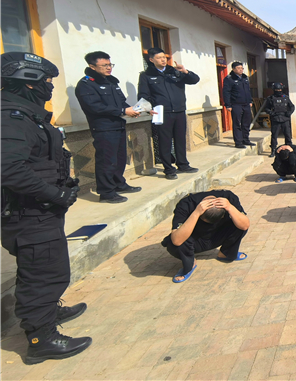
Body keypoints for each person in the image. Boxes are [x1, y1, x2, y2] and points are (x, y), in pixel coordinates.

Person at [1, 52, 91, 364]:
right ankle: (41, 338)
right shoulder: (10, 117)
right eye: (47, 81)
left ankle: (48, 310)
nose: (50, 87)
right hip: (28, 211)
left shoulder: (25, 113)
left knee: (47, 267)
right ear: (29, 81)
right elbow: (9, 169)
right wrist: (55, 193)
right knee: (42, 272)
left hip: (40, 210)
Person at [75, 51, 141, 203]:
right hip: (103, 128)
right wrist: (123, 111)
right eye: (104, 65)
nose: (108, 68)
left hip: (118, 125)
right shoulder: (86, 85)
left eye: (110, 64)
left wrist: (134, 110)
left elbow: (121, 102)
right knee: (106, 160)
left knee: (119, 158)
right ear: (92, 66)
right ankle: (106, 192)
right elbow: (94, 107)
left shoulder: (111, 82)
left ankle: (119, 184)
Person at [137, 47, 201, 180]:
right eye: (159, 58)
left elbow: (195, 80)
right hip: (161, 112)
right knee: (164, 141)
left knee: (180, 139)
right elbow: (143, 94)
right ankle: (169, 169)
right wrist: (148, 108)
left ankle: (183, 164)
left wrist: (185, 71)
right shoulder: (146, 75)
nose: (163, 60)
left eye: (164, 57)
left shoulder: (175, 72)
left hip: (179, 110)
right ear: (151, 60)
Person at [161, 190, 249, 283]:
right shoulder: (186, 204)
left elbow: (245, 225)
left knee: (240, 223)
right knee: (173, 243)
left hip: (216, 237)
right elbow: (176, 240)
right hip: (194, 242)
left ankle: (226, 253)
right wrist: (196, 213)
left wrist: (230, 207)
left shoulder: (229, 197)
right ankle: (190, 263)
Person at [222, 61, 255, 149]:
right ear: (233, 69)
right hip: (236, 104)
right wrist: (228, 105)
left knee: (246, 123)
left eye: (242, 68)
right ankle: (238, 142)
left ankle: (245, 139)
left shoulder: (245, 77)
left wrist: (250, 101)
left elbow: (248, 91)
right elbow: (226, 92)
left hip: (246, 104)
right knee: (237, 123)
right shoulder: (229, 79)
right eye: (239, 68)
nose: (241, 70)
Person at [265, 82, 295, 157]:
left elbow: (292, 106)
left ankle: (289, 149)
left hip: (285, 118)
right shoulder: (270, 98)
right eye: (276, 89)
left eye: (279, 89)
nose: (278, 91)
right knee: (274, 136)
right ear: (274, 90)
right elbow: (266, 108)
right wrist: (271, 113)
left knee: (287, 135)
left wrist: (289, 113)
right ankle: (273, 150)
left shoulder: (285, 97)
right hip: (275, 119)